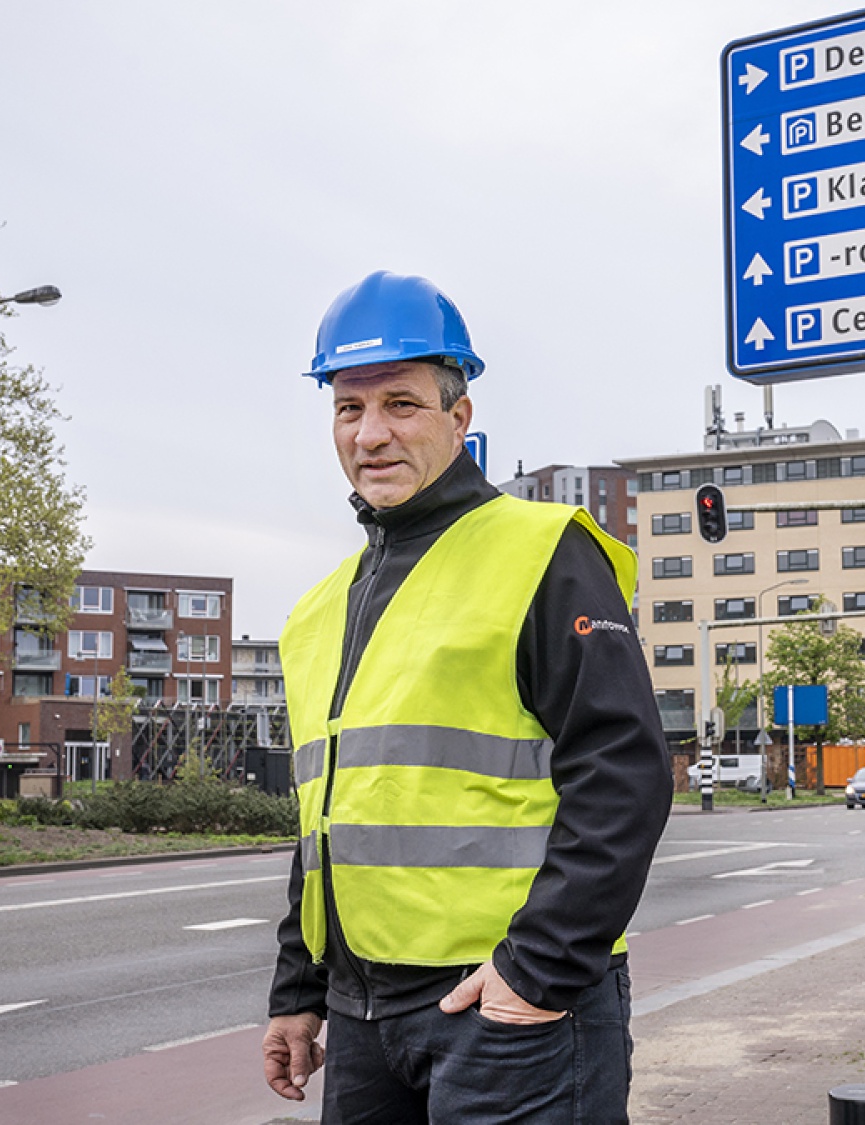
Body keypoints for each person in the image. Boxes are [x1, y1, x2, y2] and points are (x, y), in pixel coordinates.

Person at [261, 271, 672, 1123]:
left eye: (401, 404)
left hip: (510, 1009)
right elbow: (325, 826)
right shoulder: (318, 610)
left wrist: (538, 970)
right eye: (349, 408)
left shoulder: (542, 551)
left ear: (460, 417)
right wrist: (299, 991)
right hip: (363, 1015)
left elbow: (624, 771)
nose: (371, 433)